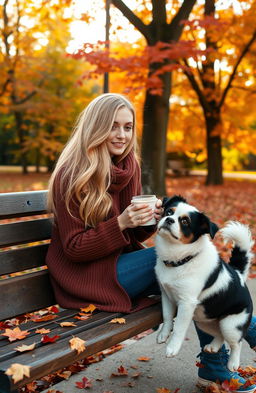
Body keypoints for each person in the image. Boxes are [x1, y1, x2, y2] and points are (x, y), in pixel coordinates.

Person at [46, 93, 256, 393]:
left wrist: (150, 221)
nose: (121, 135)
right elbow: (74, 249)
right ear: (95, 128)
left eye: (128, 127)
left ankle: (216, 366)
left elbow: (129, 239)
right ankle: (240, 343)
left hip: (117, 266)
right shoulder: (72, 175)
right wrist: (121, 222)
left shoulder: (128, 166)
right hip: (82, 277)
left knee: (193, 282)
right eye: (113, 126)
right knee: (191, 265)